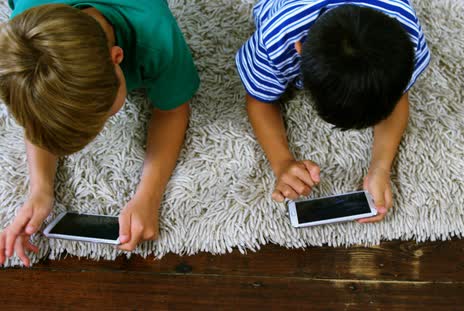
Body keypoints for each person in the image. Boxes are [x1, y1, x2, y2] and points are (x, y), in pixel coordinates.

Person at [0, 0, 200, 266]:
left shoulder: (156, 34)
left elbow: (173, 110)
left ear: (118, 57)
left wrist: (148, 196)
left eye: (104, 114)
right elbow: (40, 117)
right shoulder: (21, 42)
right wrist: (39, 189)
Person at [235, 0, 430, 223]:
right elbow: (259, 99)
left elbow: (398, 93)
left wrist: (381, 167)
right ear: (299, 49)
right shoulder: (277, 35)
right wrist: (282, 162)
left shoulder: (407, 28)